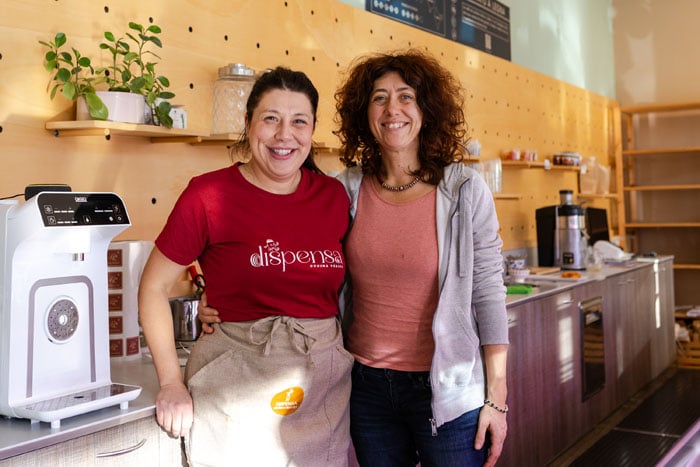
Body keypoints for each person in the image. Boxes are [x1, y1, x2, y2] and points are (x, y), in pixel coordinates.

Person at [138, 66, 353, 467]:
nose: (284, 135)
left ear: (312, 130)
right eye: (271, 118)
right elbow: (153, 287)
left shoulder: (334, 196)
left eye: (299, 121)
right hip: (234, 386)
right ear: (248, 122)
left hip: (320, 388)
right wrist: (170, 383)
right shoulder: (208, 195)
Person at [334, 49, 509, 466]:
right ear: (364, 113)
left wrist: (497, 397)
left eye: (406, 96)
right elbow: (307, 264)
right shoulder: (345, 190)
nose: (392, 109)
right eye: (379, 98)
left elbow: (488, 293)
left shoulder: (464, 190)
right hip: (366, 388)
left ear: (427, 109)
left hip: (449, 388)